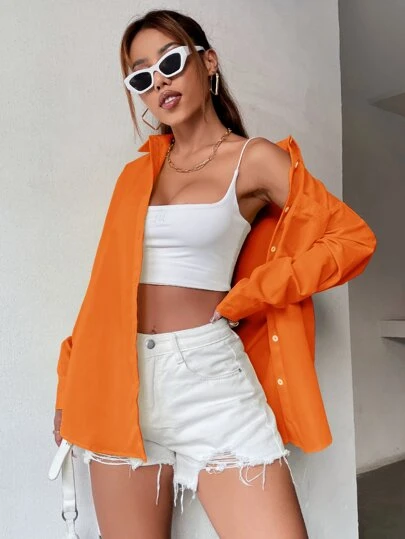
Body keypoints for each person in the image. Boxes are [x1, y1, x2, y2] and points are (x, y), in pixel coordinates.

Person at [49, 8, 376, 539]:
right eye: (141, 77)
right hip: (116, 380)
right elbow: (103, 293)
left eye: (171, 62)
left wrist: (255, 292)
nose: (160, 82)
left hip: (209, 378)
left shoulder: (254, 159)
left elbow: (351, 238)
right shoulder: (136, 175)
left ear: (208, 62)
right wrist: (70, 386)